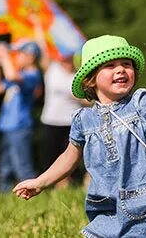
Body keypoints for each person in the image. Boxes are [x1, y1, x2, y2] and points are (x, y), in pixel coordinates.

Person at [12, 35, 146, 237]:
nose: (120, 69)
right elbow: (68, 158)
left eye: (126, 64)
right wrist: (41, 182)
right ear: (91, 80)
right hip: (107, 212)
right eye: (110, 65)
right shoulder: (84, 119)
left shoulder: (141, 103)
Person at [33, 19, 91, 188]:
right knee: (51, 157)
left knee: (72, 158)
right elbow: (42, 47)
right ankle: (57, 187)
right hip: (51, 120)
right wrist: (38, 27)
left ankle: (65, 188)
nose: (66, 59)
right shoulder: (52, 69)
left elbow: (89, 100)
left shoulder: (79, 76)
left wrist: (80, 98)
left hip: (72, 122)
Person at [0, 40, 43, 191]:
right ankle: (4, 198)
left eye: (20, 54)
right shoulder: (19, 74)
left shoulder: (32, 75)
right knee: (4, 169)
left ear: (31, 56)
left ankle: (31, 196)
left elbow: (12, 76)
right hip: (7, 126)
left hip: (20, 126)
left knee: (22, 167)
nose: (17, 57)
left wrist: (4, 54)